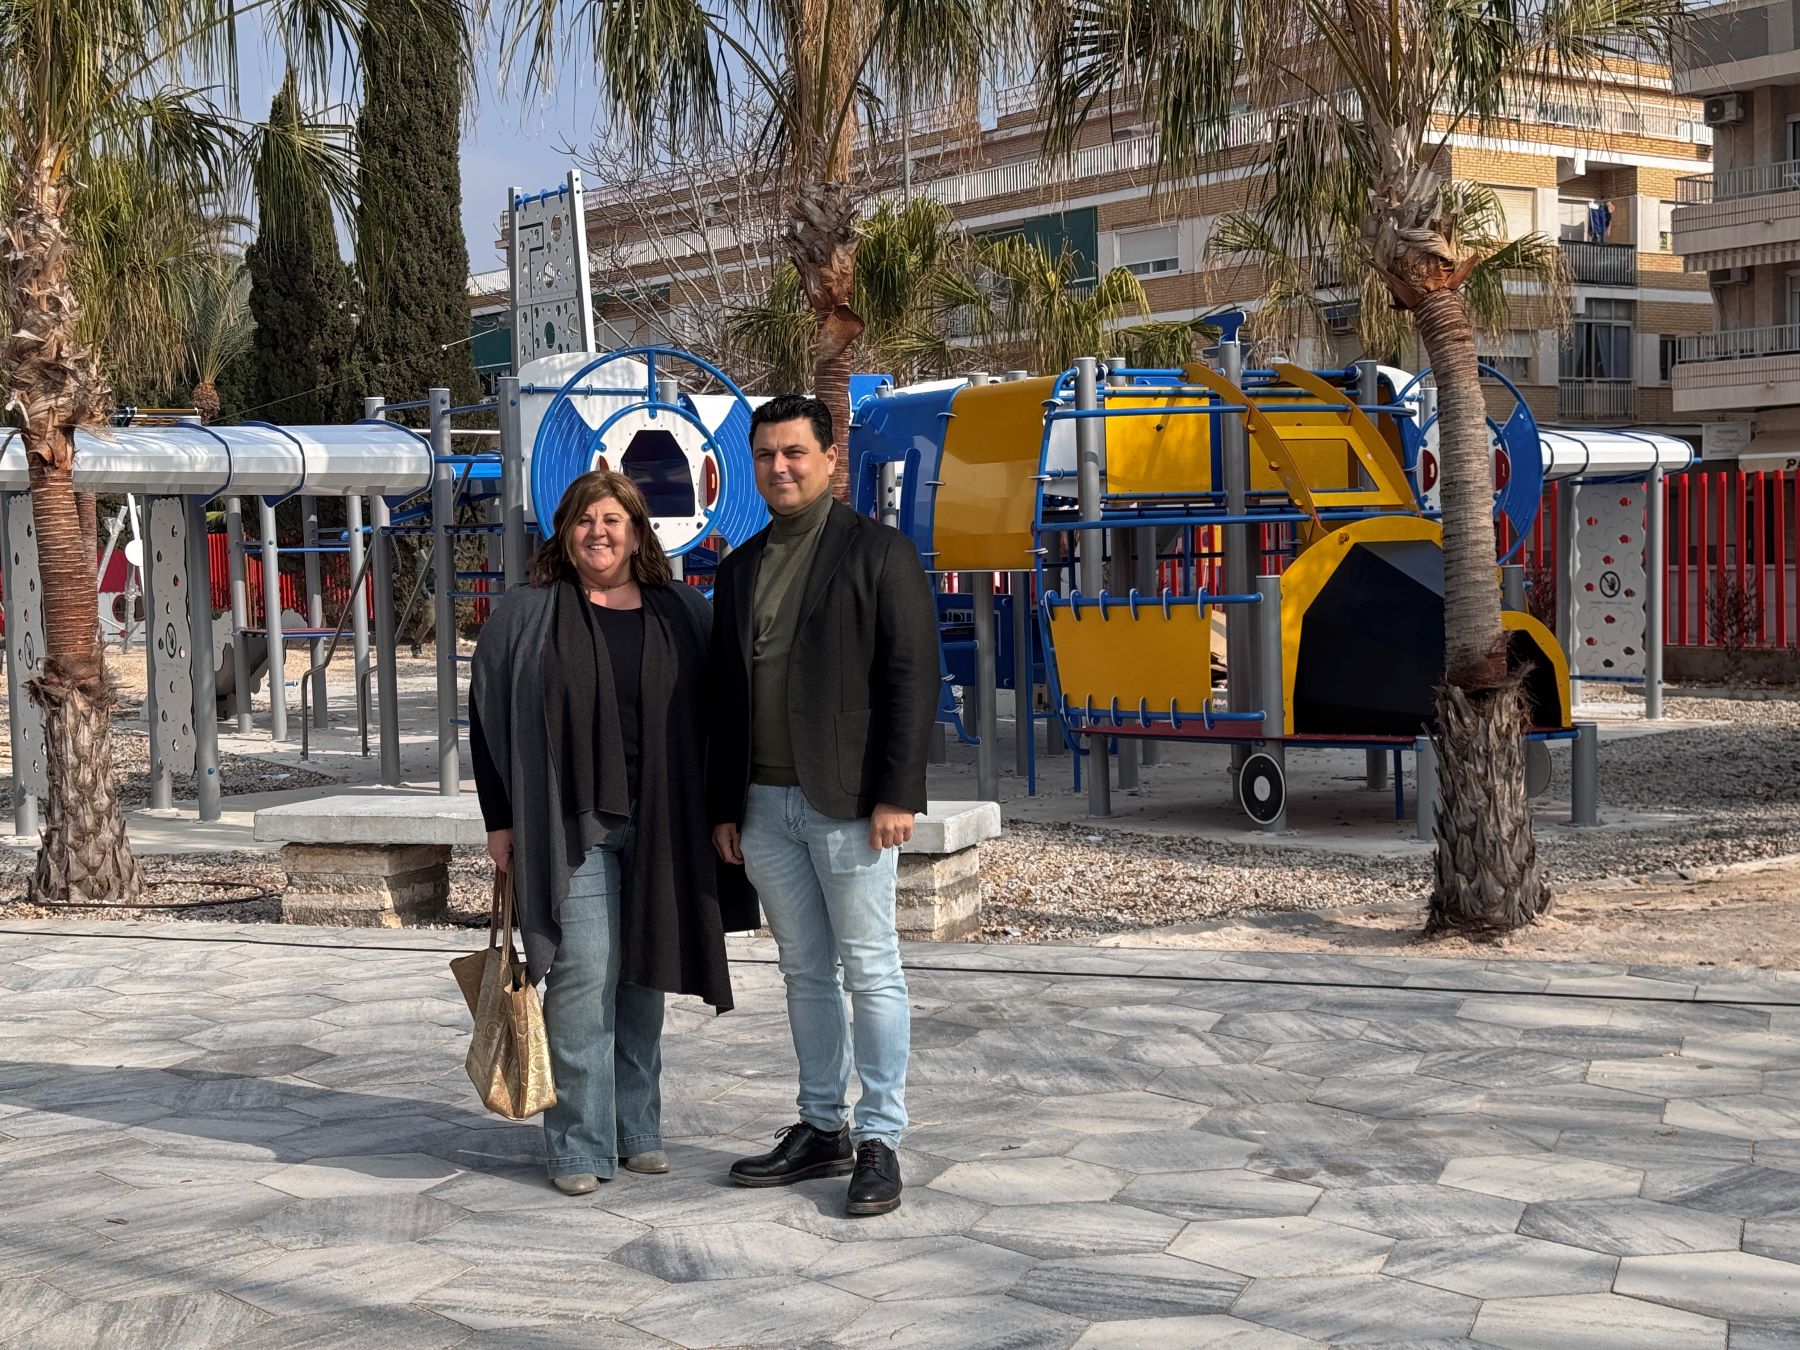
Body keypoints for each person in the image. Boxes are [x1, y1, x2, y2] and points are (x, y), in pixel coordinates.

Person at [470, 469, 756, 1196]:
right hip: (572, 825)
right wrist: (499, 821)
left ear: (637, 531)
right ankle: (577, 1144)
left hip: (665, 822)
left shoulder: (681, 612)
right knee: (581, 975)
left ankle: (638, 1131)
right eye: (585, 521)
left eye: (613, 520)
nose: (599, 533)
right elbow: (488, 723)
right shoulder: (526, 615)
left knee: (642, 979)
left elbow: (724, 716)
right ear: (564, 533)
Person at [708, 393, 939, 1216]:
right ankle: (820, 1127)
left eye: (795, 453)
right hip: (764, 805)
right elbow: (724, 696)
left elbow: (912, 678)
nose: (780, 467)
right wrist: (723, 804)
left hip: (849, 805)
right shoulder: (739, 567)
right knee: (804, 971)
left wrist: (897, 793)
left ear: (829, 459)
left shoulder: (879, 554)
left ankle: (880, 1137)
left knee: (871, 969)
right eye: (767, 454)